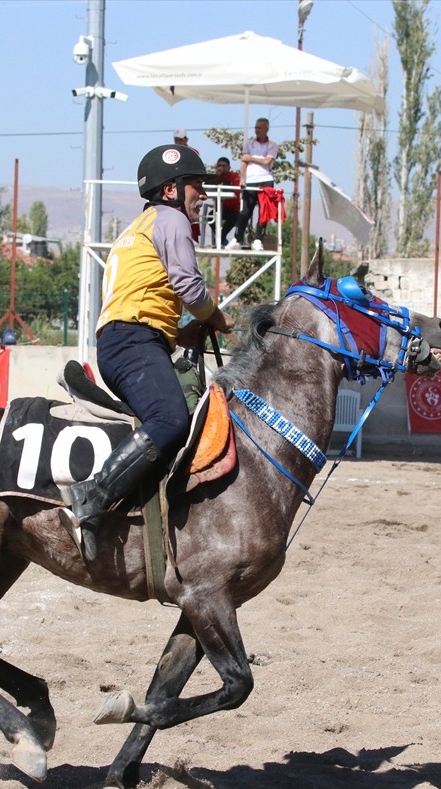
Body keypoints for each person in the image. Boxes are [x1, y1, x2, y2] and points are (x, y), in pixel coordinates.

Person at [60, 144, 234, 563]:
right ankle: (90, 496)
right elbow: (189, 288)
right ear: (172, 190)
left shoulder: (143, 224)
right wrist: (219, 318)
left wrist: (189, 332)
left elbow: (153, 302)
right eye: (196, 186)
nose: (204, 196)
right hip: (132, 341)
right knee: (171, 419)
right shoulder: (171, 219)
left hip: (134, 339)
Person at [231, 117, 278, 251]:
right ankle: (237, 238)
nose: (257, 130)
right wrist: (242, 178)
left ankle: (258, 239)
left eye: (260, 127)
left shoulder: (273, 145)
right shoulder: (248, 144)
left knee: (264, 211)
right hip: (251, 179)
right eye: (256, 127)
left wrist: (250, 158)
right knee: (245, 210)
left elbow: (267, 161)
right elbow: (243, 161)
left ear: (266, 129)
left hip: (266, 179)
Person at [209, 157, 242, 248]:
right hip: (220, 208)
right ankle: (221, 239)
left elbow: (237, 192)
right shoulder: (216, 177)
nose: (221, 168)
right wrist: (217, 177)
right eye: (219, 166)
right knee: (210, 217)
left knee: (234, 217)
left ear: (229, 167)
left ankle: (221, 238)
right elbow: (208, 185)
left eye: (224, 166)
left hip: (233, 208)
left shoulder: (234, 177)